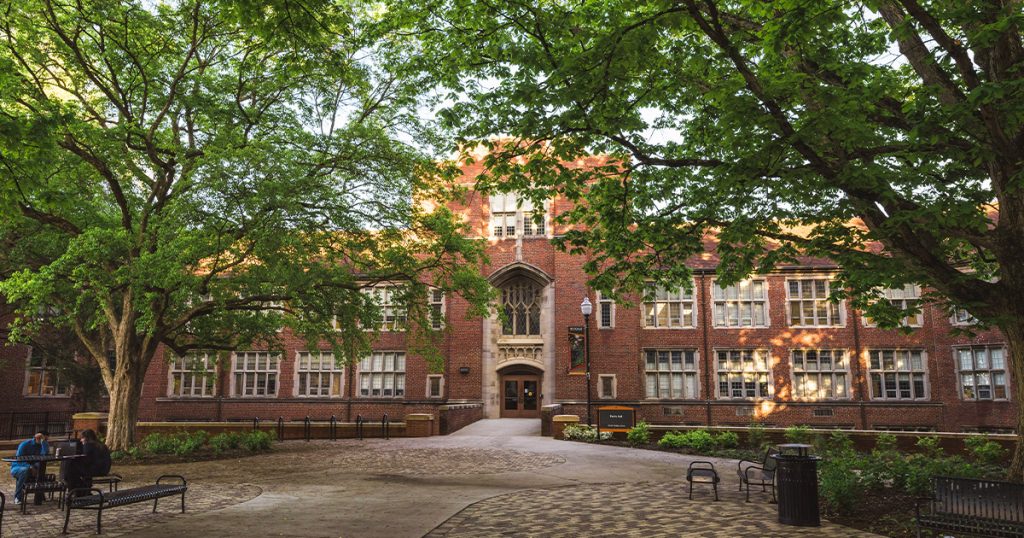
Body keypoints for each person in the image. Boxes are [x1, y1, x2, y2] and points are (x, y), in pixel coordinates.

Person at [65, 429, 111, 495]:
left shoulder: (88, 445)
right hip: (104, 469)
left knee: (70, 468)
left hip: (95, 470)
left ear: (86, 438)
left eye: (82, 438)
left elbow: (86, 460)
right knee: (72, 469)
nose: (81, 440)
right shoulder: (101, 445)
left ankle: (75, 490)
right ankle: (81, 489)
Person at [10, 430, 49, 505]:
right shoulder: (25, 444)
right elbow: (19, 459)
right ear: (37, 437)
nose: (45, 441)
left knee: (41, 468)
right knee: (25, 470)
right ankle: (18, 497)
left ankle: (40, 495)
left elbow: (44, 456)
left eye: (46, 439)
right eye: (43, 439)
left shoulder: (43, 444)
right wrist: (30, 467)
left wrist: (44, 442)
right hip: (18, 466)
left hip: (34, 467)